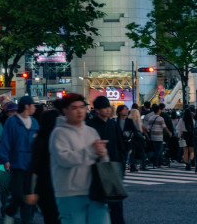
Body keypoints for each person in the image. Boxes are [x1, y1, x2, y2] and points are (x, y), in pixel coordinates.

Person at [49, 93, 110, 224]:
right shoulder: (59, 133)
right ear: (65, 110)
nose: (79, 111)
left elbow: (102, 160)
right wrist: (91, 150)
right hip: (70, 192)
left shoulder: (91, 131)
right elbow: (64, 159)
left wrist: (102, 154)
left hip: (95, 191)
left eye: (82, 107)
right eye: (74, 108)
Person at [0, 96, 39, 224]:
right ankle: (9, 212)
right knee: (17, 194)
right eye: (33, 105)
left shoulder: (35, 123)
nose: (35, 108)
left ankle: (27, 220)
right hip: (17, 164)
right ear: (27, 106)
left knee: (28, 196)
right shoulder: (12, 121)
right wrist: (4, 159)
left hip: (31, 166)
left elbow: (38, 144)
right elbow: (6, 141)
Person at [86, 96, 125, 224]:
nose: (107, 110)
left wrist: (121, 162)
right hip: (97, 168)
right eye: (104, 107)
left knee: (116, 201)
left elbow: (120, 144)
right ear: (97, 110)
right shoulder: (90, 126)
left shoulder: (112, 124)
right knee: (99, 201)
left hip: (113, 166)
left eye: (108, 107)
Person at [27, 109, 60, 224]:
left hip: (44, 186)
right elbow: (34, 166)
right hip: (52, 186)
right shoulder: (53, 139)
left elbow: (33, 167)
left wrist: (31, 191)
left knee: (50, 217)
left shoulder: (40, 139)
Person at [0, 101, 17, 218]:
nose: (13, 113)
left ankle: (9, 208)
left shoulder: (20, 123)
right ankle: (6, 207)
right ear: (6, 112)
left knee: (14, 186)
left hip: (15, 160)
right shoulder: (1, 125)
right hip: (2, 159)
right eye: (11, 111)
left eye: (15, 111)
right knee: (4, 186)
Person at [143, 105, 171, 169]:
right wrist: (169, 132)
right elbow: (164, 127)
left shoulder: (151, 118)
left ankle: (158, 163)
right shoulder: (160, 118)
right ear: (158, 110)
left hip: (153, 136)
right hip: (159, 136)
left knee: (156, 150)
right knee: (158, 151)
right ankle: (156, 164)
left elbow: (148, 128)